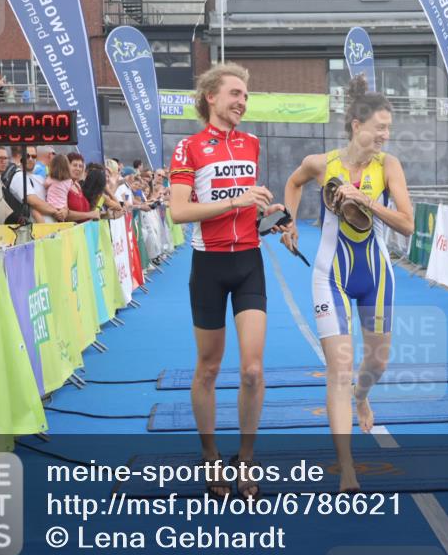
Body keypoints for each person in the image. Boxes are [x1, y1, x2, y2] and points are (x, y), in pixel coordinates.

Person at [281, 75, 414, 492]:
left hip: (375, 274)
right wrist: (288, 222)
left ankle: (362, 395)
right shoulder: (322, 163)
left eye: (389, 128)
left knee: (376, 363)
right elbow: (293, 183)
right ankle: (348, 467)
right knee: (338, 369)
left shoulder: (388, 166)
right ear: (357, 125)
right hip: (330, 275)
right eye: (380, 127)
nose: (385, 134)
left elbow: (407, 225)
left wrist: (366, 201)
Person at [169, 62, 285, 500]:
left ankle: (247, 459)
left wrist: (268, 218)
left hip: (249, 261)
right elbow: (179, 212)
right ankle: (211, 454)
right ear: (211, 97)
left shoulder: (252, 144)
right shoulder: (188, 149)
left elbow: (245, 210)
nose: (242, 101)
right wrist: (237, 199)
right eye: (235, 93)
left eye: (246, 95)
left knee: (253, 370)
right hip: (209, 267)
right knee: (210, 367)